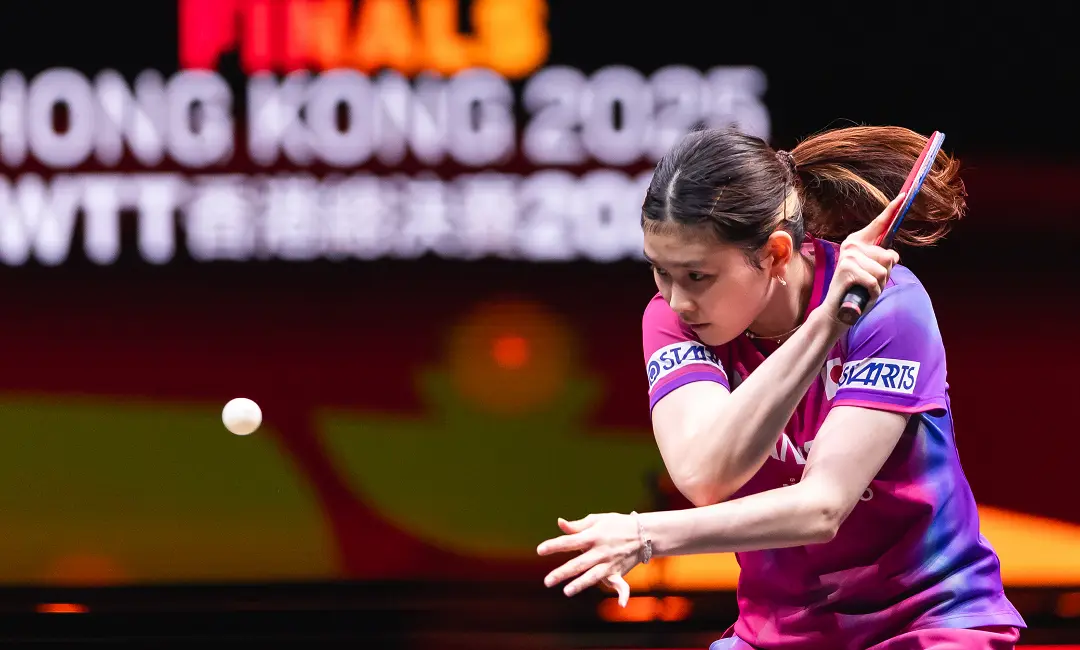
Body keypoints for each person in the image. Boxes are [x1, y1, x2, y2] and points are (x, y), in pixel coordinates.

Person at [536, 126, 1025, 649]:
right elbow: (705, 476)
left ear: (773, 253)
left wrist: (644, 536)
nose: (677, 300)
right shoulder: (673, 322)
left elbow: (822, 507)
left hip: (930, 618)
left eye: (697, 276)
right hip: (780, 630)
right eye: (660, 272)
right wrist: (824, 326)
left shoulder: (888, 308)